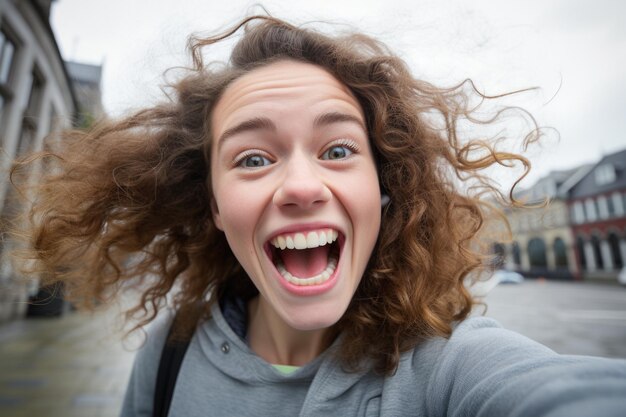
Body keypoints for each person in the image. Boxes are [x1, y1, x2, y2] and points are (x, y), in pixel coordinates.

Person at [10, 15, 626, 417]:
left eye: (337, 150)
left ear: (382, 188)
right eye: (253, 158)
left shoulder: (445, 369)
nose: (302, 186)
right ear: (216, 206)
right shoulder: (171, 347)